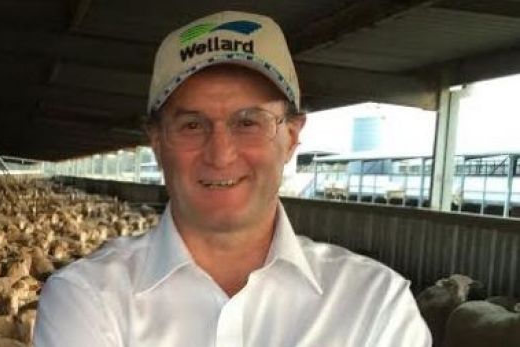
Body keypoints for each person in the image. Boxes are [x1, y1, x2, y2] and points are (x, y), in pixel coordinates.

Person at [34, 11, 432, 346]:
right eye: (192, 125)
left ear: (291, 136)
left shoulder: (375, 302)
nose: (221, 154)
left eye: (248, 122)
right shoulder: (86, 296)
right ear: (156, 142)